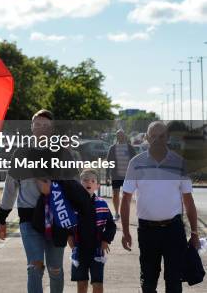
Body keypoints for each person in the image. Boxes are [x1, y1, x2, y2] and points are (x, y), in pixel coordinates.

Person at [120, 121, 200, 293]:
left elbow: (188, 200)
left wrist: (194, 232)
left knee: (174, 282)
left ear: (168, 138)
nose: (157, 139)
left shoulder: (179, 163)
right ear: (147, 138)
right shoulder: (136, 163)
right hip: (147, 231)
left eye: (161, 136)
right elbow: (125, 199)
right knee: (148, 282)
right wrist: (126, 231)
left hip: (174, 230)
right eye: (153, 136)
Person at [0, 109, 68, 293]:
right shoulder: (20, 154)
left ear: (52, 129)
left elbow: (73, 188)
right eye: (37, 124)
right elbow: (10, 189)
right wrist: (2, 218)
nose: (41, 129)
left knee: (55, 268)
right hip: (29, 221)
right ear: (31, 127)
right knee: (34, 268)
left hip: (57, 219)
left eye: (45, 125)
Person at [69, 169, 116, 293]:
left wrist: (106, 239)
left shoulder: (102, 204)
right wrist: (69, 237)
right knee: (81, 283)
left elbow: (111, 225)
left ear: (97, 186)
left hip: (97, 250)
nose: (88, 182)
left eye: (93, 181)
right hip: (79, 250)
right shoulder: (72, 204)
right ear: (80, 183)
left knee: (98, 283)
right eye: (85, 180)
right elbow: (66, 223)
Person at [105, 129, 136, 220]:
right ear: (116, 137)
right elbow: (108, 162)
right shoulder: (112, 148)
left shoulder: (130, 148)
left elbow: (135, 161)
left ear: (124, 136)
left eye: (121, 135)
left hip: (127, 176)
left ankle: (125, 212)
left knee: (126, 196)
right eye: (118, 135)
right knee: (115, 194)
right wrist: (107, 175)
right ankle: (116, 213)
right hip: (116, 175)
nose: (120, 137)